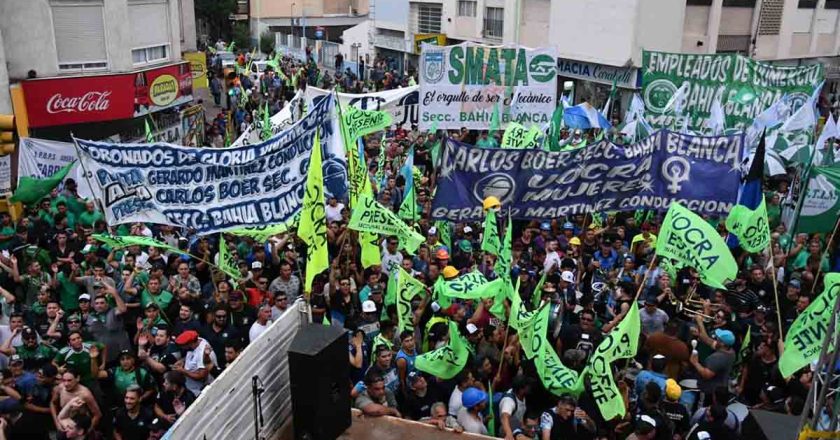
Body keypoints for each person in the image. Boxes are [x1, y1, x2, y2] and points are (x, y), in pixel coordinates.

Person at [173, 330, 216, 396]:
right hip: (190, 387)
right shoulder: (199, 340)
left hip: (200, 391)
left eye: (183, 345)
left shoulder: (202, 353)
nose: (182, 347)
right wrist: (183, 361)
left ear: (190, 343)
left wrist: (183, 371)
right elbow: (193, 355)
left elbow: (201, 376)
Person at [500, 374, 531, 439]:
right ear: (521, 390)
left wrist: (524, 428)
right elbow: (504, 417)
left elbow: (519, 413)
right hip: (508, 432)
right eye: (527, 386)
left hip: (517, 428)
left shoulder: (521, 395)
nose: (530, 387)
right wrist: (509, 434)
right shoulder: (508, 401)